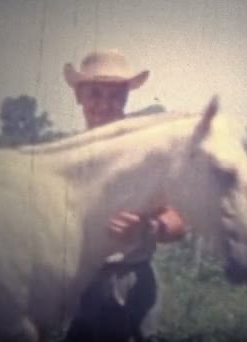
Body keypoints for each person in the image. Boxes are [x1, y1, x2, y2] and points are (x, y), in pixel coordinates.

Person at [61, 50, 186, 342]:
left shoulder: (147, 155)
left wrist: (149, 227)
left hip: (131, 282)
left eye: (116, 95)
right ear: (79, 97)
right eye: (95, 93)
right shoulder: (64, 159)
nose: (105, 104)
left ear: (126, 99)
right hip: (76, 284)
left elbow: (178, 220)